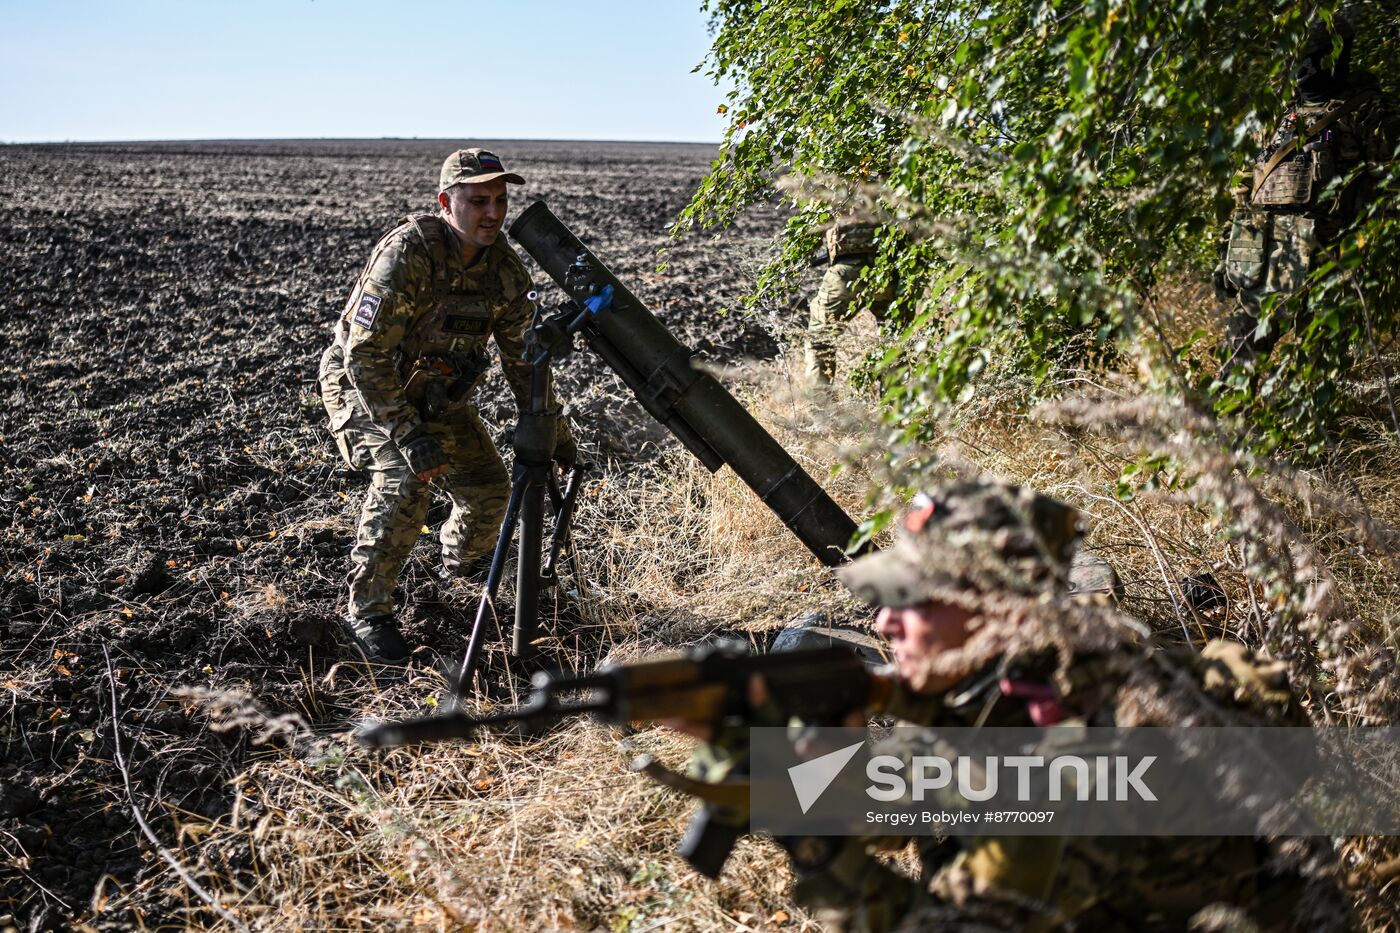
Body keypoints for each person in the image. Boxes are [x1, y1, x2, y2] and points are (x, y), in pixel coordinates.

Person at [680, 479, 1337, 931]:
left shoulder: (1086, 751)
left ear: (993, 607)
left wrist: (814, 846)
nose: (883, 622)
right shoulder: (1014, 696)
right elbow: (898, 787)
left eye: (912, 597)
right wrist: (769, 760)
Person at [318, 148, 575, 662]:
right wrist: (410, 435)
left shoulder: (504, 270)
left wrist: (555, 428)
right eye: (478, 200)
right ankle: (368, 611)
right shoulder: (408, 257)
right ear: (446, 203)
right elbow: (365, 356)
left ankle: (460, 564)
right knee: (406, 475)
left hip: (439, 393)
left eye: (500, 200)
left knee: (489, 490)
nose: (494, 213)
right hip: (365, 387)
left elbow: (523, 362)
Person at [1214, 12, 1398, 363]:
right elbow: (1247, 187)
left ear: (1337, 56)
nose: (1306, 70)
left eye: (1315, 57)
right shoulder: (1282, 116)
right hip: (1263, 263)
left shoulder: (1370, 112)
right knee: (1236, 370)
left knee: (1316, 376)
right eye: (1301, 58)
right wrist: (1228, 252)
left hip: (1328, 267)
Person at [804, 216, 898, 384]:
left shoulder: (834, 189)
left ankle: (820, 407)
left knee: (820, 342)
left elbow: (816, 220)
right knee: (895, 339)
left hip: (845, 271)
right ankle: (897, 406)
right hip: (886, 268)